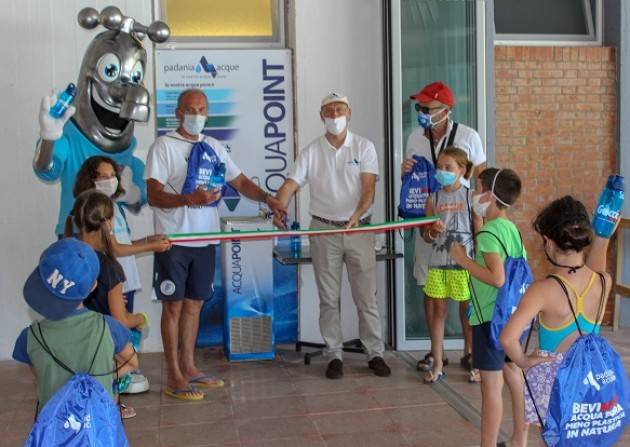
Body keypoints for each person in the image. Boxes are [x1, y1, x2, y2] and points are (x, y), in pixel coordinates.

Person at [144, 88, 285, 401]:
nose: (197, 115)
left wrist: (268, 198)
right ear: (178, 112)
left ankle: (190, 367)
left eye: (202, 109)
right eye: (191, 109)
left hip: (205, 239)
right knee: (173, 306)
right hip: (173, 241)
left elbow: (241, 183)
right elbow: (152, 194)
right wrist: (187, 199)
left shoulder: (214, 147)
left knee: (195, 304)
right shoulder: (163, 147)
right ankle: (175, 375)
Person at [272, 92, 391, 380]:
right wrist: (279, 205)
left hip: (359, 229)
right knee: (328, 298)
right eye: (329, 111)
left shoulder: (364, 146)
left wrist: (356, 214)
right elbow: (291, 183)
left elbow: (369, 188)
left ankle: (374, 352)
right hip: (323, 230)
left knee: (366, 297)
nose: (334, 116)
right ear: (321, 116)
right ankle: (333, 354)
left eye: (339, 110)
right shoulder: (311, 151)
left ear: (348, 113)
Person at [500, 196, 612, 431]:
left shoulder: (542, 290)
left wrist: (524, 361)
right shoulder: (604, 281)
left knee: (555, 438)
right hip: (591, 379)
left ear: (548, 242)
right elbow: (595, 263)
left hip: (555, 384)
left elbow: (508, 339)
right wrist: (604, 235)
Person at [402, 81, 486, 373]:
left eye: (428, 108)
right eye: (420, 108)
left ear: (445, 110)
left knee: (466, 294)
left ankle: (470, 350)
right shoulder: (415, 137)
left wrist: (483, 232)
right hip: (431, 220)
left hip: (462, 226)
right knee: (431, 289)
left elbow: (482, 180)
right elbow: (413, 182)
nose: (422, 112)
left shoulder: (468, 136)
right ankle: (435, 352)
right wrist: (405, 174)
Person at [65, 190, 163, 417]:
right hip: (99, 336)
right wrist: (141, 318)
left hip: (69, 334)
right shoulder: (109, 267)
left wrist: (113, 298)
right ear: (109, 223)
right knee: (128, 359)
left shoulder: (67, 252)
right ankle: (111, 405)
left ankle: (78, 398)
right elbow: (121, 320)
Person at [450, 168, 528, 447]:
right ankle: (520, 437)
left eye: (478, 187)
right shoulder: (511, 229)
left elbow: (497, 278)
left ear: (490, 195)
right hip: (511, 315)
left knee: (491, 386)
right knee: (513, 373)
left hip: (489, 317)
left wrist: (462, 259)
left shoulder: (488, 234)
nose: (473, 194)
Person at [12, 238, 138, 409]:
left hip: (54, 429)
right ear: (93, 286)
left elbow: (41, 376)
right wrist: (101, 378)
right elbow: (132, 363)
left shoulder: (29, 337)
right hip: (98, 428)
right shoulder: (109, 327)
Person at [73, 156, 171, 314]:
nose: (110, 181)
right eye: (104, 176)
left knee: (124, 331)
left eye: (113, 176)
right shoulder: (89, 210)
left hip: (125, 280)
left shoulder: (114, 206)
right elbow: (114, 249)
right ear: (90, 179)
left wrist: (147, 240)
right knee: (117, 330)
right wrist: (151, 246)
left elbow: (121, 241)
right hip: (108, 284)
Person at [420, 147, 482, 384]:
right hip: (438, 264)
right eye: (440, 167)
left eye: (449, 167)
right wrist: (431, 232)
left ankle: (475, 361)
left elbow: (480, 231)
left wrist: (479, 264)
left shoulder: (471, 197)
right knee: (439, 311)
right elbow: (426, 236)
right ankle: (437, 363)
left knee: (468, 314)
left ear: (462, 170)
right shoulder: (432, 199)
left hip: (465, 265)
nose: (443, 171)